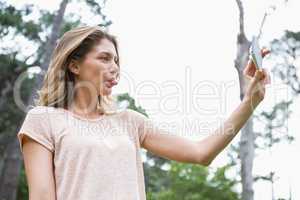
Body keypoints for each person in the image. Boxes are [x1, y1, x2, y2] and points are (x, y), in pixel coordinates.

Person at [17, 25, 270, 200]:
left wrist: (250, 101)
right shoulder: (43, 120)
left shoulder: (129, 122)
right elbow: (41, 196)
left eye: (116, 60)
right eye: (105, 58)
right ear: (74, 65)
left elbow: (200, 153)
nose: (114, 67)